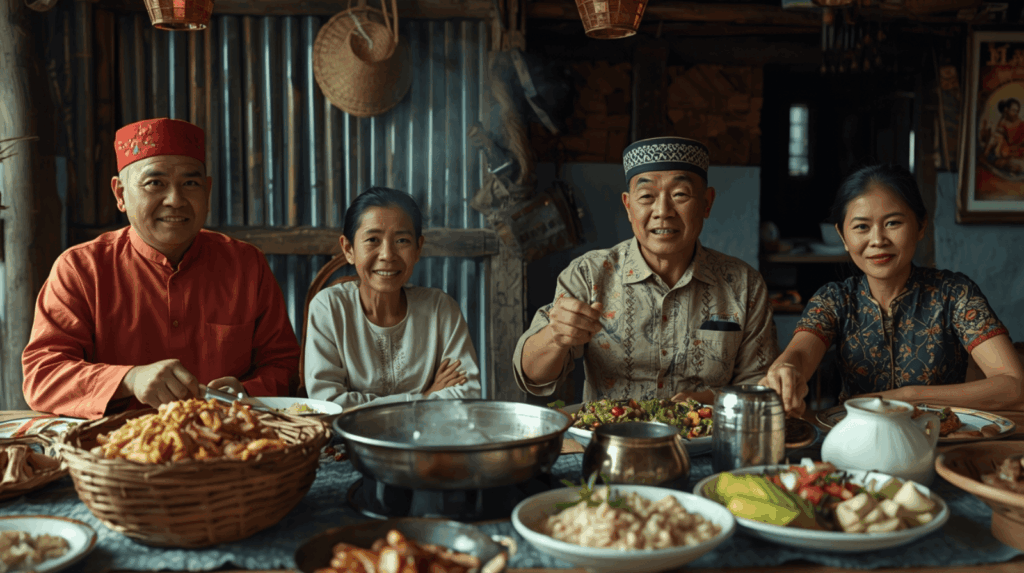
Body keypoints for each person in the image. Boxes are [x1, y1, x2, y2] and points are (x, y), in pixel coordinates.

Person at [22, 118, 300, 420]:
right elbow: (43, 375)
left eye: (190, 183)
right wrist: (129, 379)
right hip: (113, 451)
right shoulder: (80, 269)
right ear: (120, 194)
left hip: (228, 446)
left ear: (207, 191)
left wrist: (246, 393)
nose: (175, 200)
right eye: (155, 183)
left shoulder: (246, 265)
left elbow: (284, 364)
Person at [514, 136, 779, 405]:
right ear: (629, 206)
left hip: (709, 442)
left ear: (706, 202)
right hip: (612, 440)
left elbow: (759, 385)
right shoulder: (589, 274)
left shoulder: (744, 285)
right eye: (646, 197)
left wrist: (709, 400)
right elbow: (532, 377)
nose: (662, 211)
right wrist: (555, 336)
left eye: (680, 195)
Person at [760, 164, 1024, 416]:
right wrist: (785, 371)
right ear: (843, 236)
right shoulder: (834, 300)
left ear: (921, 226)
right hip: (855, 442)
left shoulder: (955, 294)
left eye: (893, 223)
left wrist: (907, 396)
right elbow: (799, 356)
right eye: (862, 227)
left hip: (941, 440)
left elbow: (1013, 384)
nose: (877, 240)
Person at [304, 186, 481, 409]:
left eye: (402, 241)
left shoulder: (440, 309)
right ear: (348, 249)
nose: (387, 254)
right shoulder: (329, 308)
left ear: (418, 248)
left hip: (430, 440)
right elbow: (328, 404)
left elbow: (466, 396)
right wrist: (422, 398)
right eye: (373, 240)